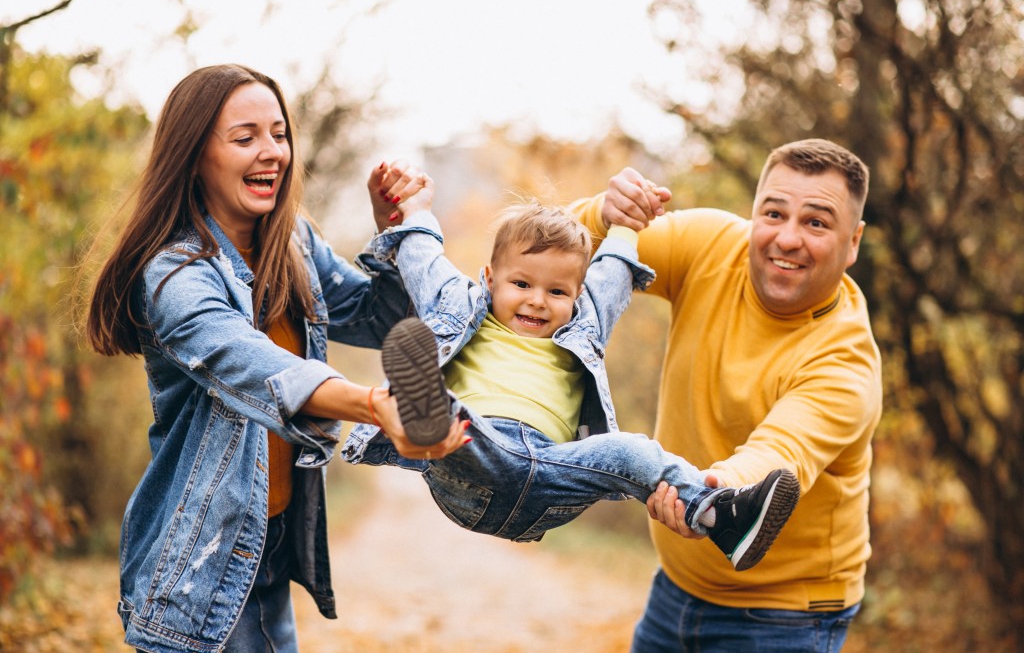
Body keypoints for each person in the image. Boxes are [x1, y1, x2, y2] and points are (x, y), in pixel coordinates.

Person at [84, 64, 465, 653]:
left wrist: (396, 227)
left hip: (268, 547)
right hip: (197, 565)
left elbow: (381, 317)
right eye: (245, 138)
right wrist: (375, 404)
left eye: (279, 134)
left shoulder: (292, 246)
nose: (273, 153)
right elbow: (261, 368)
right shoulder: (174, 274)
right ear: (194, 154)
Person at [342, 162, 800, 570]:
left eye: (557, 292)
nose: (538, 301)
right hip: (468, 465)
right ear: (488, 278)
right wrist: (415, 206)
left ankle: (720, 515)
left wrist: (626, 225)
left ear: (575, 295)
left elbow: (612, 274)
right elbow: (422, 257)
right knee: (453, 418)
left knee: (631, 451)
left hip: (552, 477)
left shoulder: (584, 326)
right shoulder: (458, 303)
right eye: (521, 283)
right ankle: (425, 408)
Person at [570, 138, 883, 652]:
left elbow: (779, 455)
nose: (787, 238)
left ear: (853, 242)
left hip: (785, 616)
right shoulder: (712, 246)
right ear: (754, 212)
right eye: (774, 213)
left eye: (817, 223)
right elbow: (557, 252)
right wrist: (605, 215)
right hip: (676, 587)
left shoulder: (845, 361)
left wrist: (712, 493)